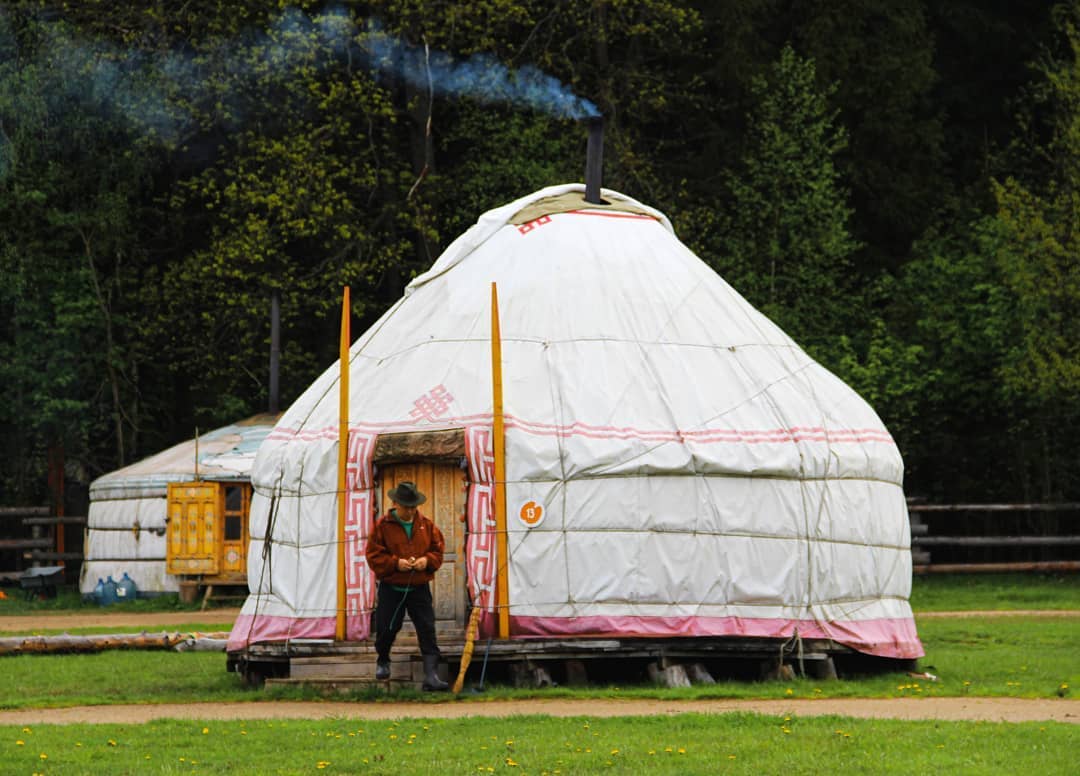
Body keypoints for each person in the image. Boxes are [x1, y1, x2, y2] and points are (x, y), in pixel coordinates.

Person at [365, 481, 449, 690]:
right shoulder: (382, 527)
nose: (410, 510)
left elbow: (437, 550)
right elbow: (373, 555)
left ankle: (431, 675)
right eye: (406, 506)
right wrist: (395, 563)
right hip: (391, 587)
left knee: (427, 628)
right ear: (395, 503)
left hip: (419, 587)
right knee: (387, 628)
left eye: (413, 506)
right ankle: (383, 659)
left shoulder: (426, 525)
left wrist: (426, 561)